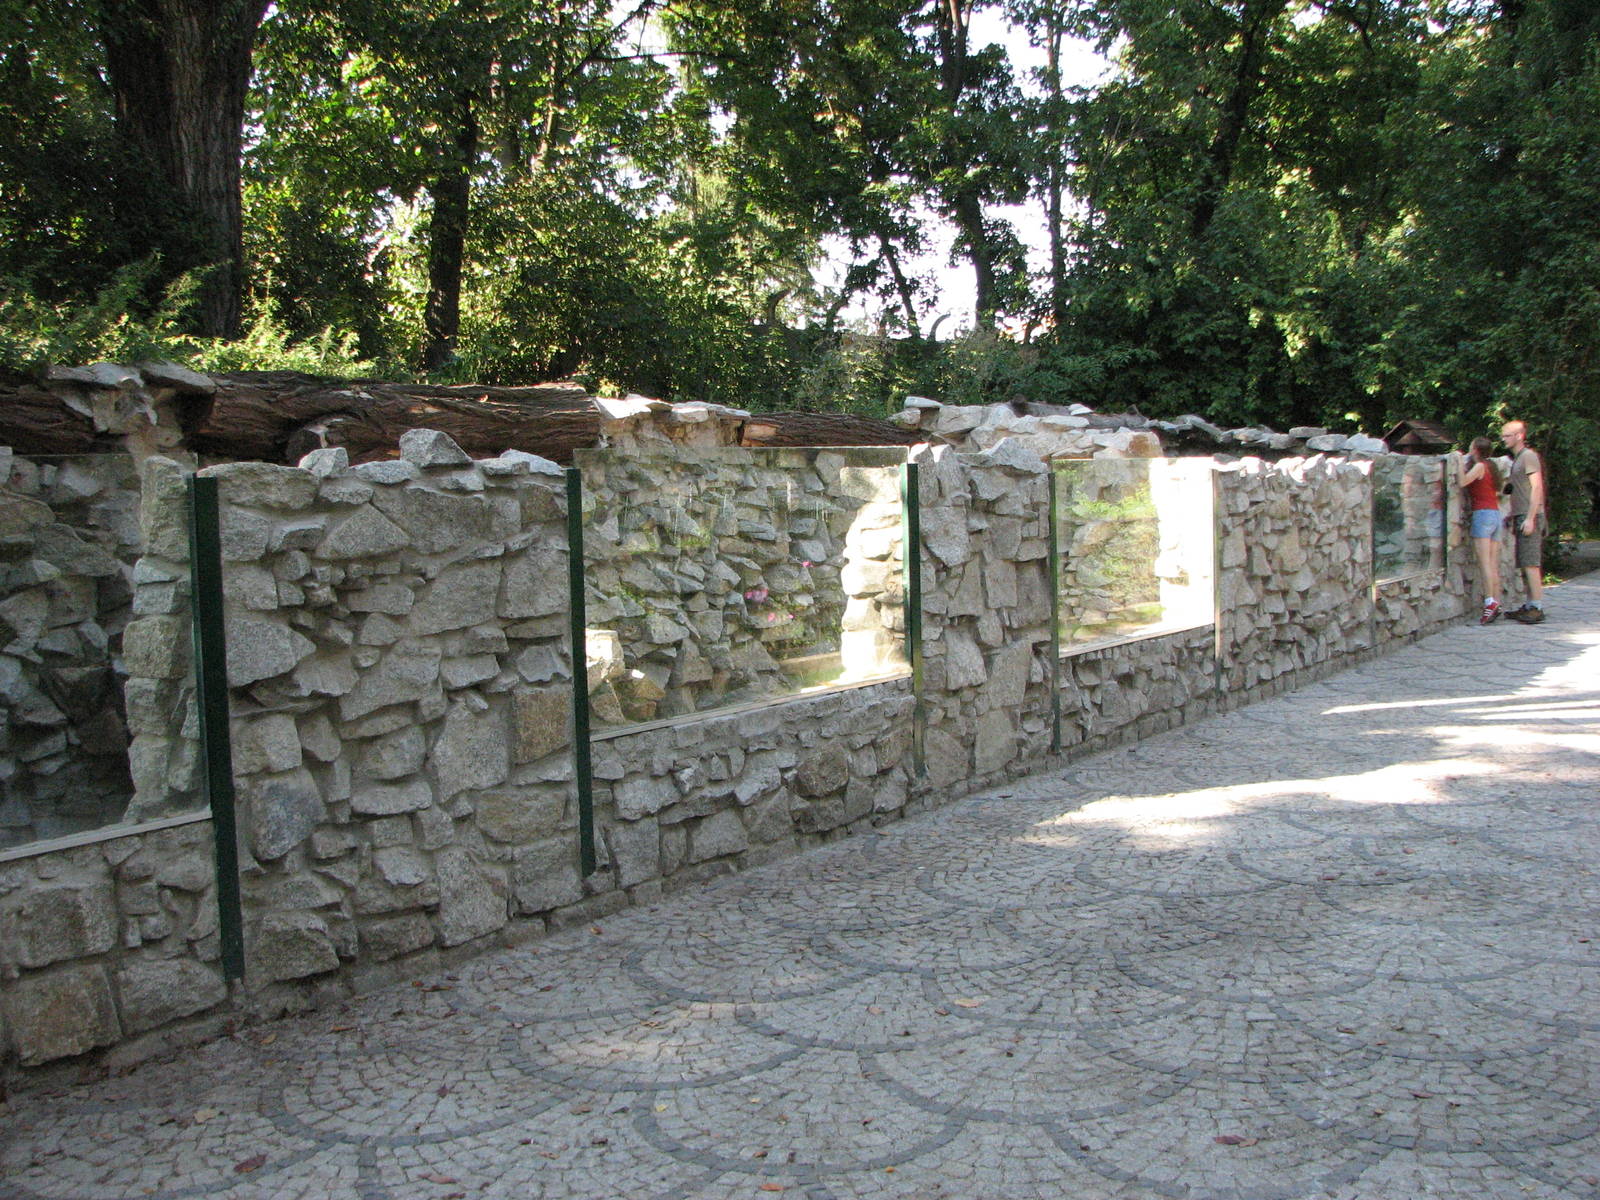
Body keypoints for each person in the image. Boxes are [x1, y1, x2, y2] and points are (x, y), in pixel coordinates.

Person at [1500, 420, 1547, 623]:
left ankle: (1536, 607)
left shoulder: (1528, 457)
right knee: (1524, 561)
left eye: (1507, 435)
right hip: (1521, 515)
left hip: (1530, 516)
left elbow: (1536, 488)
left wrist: (1530, 518)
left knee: (1530, 563)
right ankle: (1528, 605)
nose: (1503, 439)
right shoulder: (1518, 459)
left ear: (1519, 436)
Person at [1458, 437, 1504, 623]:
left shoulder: (1479, 466)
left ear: (1475, 449)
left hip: (1482, 514)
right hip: (1495, 514)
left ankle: (1489, 601)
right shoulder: (1492, 467)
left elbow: (1462, 482)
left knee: (1484, 562)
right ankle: (1497, 601)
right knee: (1493, 563)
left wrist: (1458, 463)